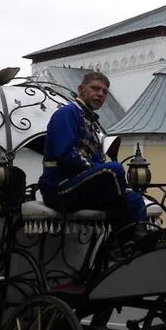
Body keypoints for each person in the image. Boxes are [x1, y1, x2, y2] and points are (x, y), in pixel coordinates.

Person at [39, 71, 146, 238]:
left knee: (135, 198)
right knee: (113, 170)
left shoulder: (92, 122)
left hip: (83, 186)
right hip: (60, 187)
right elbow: (66, 155)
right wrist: (100, 169)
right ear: (81, 89)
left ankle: (140, 241)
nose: (100, 94)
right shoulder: (67, 114)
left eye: (104, 92)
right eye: (95, 88)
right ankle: (121, 238)